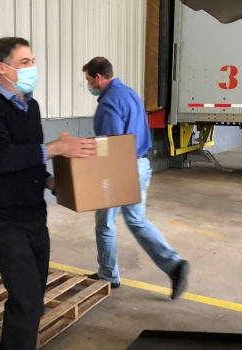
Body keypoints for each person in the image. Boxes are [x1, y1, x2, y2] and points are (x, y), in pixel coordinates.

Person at [0, 37, 97, 350]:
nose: (32, 68)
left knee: (34, 298)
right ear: (2, 68)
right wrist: (57, 148)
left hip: (33, 213)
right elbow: (1, 158)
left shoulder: (30, 105)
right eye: (25, 62)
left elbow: (32, 162)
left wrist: (60, 184)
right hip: (2, 215)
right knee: (26, 300)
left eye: (32, 61)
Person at [83, 57, 189, 300]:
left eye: (89, 79)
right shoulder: (129, 94)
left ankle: (108, 275)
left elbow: (111, 145)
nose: (89, 85)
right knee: (137, 221)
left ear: (98, 77)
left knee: (105, 222)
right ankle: (174, 265)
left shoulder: (108, 103)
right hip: (141, 164)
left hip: (121, 169)